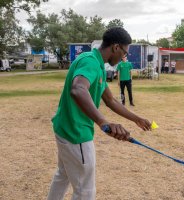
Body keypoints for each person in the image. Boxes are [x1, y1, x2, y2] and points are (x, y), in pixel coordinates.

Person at [47, 27, 151, 200]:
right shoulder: (90, 62)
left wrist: (136, 119)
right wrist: (104, 122)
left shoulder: (97, 63)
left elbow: (110, 100)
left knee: (63, 174)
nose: (123, 58)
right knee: (85, 190)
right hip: (76, 133)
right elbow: (78, 89)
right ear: (116, 47)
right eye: (125, 53)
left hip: (65, 128)